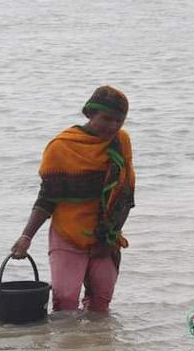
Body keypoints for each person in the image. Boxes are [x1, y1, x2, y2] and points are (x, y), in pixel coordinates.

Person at [10, 86, 135, 314]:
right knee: (65, 301)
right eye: (106, 119)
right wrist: (26, 237)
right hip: (69, 233)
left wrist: (108, 238)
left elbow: (125, 196)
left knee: (101, 300)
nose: (113, 126)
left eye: (119, 121)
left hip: (106, 236)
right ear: (89, 113)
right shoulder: (61, 147)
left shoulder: (121, 142)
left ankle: (97, 348)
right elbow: (47, 199)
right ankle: (66, 349)